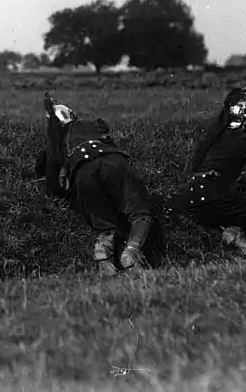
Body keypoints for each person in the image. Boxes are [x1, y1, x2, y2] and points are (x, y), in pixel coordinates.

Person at [28, 94, 156, 276]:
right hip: (113, 161)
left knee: (104, 223)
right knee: (139, 211)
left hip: (83, 172)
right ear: (72, 116)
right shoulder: (92, 125)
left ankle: (104, 255)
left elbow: (52, 184)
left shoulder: (54, 146)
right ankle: (132, 250)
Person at [172, 86, 246, 259]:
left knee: (234, 206)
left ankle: (237, 241)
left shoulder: (212, 139)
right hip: (218, 194)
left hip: (190, 198)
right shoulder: (245, 140)